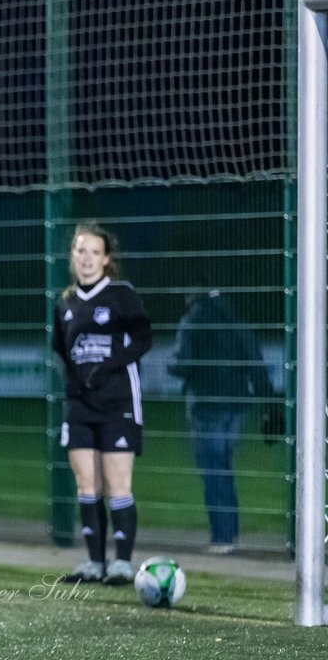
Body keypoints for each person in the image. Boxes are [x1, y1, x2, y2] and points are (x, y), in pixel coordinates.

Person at [51, 222, 152, 585]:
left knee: (117, 484)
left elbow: (143, 340)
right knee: (87, 484)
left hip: (118, 403)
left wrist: (104, 369)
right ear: (72, 257)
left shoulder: (121, 294)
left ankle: (122, 563)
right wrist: (78, 380)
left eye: (95, 252)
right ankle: (95, 563)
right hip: (79, 406)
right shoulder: (64, 301)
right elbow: (60, 349)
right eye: (81, 251)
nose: (87, 259)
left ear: (106, 259)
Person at [168, 289, 281, 554]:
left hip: (206, 404)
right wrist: (269, 402)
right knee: (224, 468)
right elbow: (255, 360)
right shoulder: (235, 319)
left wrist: (169, 364)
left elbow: (182, 364)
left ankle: (222, 537)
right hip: (236, 404)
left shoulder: (192, 321)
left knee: (213, 470)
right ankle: (229, 533)